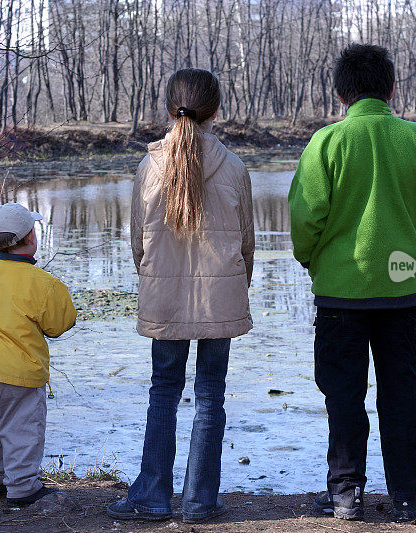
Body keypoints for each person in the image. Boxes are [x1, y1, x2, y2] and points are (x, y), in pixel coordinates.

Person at [288, 44, 416, 522]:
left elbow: (305, 217)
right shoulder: (415, 136)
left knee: (343, 394)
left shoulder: (327, 142)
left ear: (341, 93)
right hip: (401, 290)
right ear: (392, 89)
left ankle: (346, 495)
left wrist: (312, 260)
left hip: (341, 291)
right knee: (401, 392)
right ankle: (406, 497)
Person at [107, 68, 255, 524]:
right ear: (216, 111)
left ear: (169, 110)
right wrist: (234, 285)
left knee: (163, 392)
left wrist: (156, 280)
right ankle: (199, 501)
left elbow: (137, 244)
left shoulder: (149, 166)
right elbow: (247, 245)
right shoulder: (233, 166)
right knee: (211, 395)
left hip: (164, 298)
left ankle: (152, 495)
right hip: (220, 299)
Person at [0, 202, 77, 507]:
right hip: (24, 372)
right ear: (31, 238)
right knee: (22, 429)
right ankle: (22, 487)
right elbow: (58, 325)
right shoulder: (43, 283)